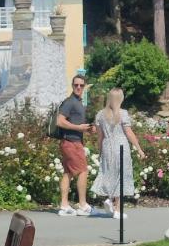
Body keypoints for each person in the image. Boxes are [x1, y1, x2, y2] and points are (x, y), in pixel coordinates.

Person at [92, 88, 145, 219]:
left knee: (109, 173)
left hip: (107, 146)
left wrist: (100, 151)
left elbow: (100, 136)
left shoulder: (100, 114)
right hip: (121, 146)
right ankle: (117, 209)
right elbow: (129, 133)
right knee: (121, 176)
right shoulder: (123, 113)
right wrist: (138, 148)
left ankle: (110, 199)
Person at [57, 74, 95, 216]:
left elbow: (74, 123)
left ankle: (64, 205)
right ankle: (83, 205)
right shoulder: (70, 102)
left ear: (84, 87)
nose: (78, 87)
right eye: (76, 85)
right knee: (83, 171)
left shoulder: (79, 102)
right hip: (71, 143)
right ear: (72, 86)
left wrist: (88, 129)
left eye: (81, 85)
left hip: (70, 141)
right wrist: (78, 128)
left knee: (68, 173)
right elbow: (60, 121)